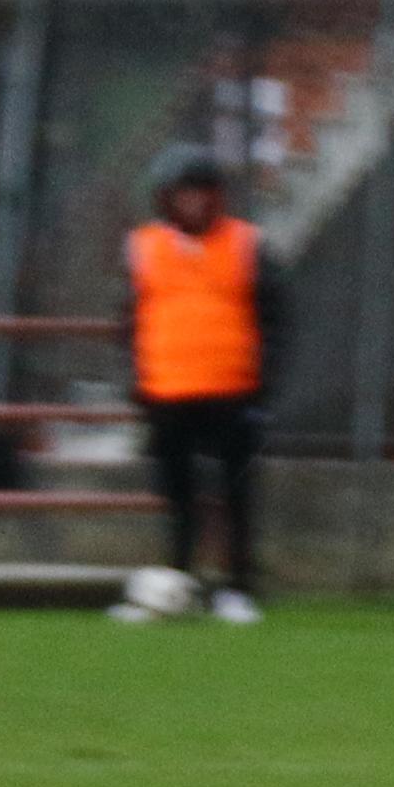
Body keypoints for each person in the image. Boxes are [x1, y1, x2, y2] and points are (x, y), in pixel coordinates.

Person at [114, 154, 281, 626]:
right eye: (183, 192)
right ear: (166, 198)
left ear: (217, 197)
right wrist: (137, 381)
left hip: (233, 391)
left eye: (201, 192)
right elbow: (129, 319)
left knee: (236, 495)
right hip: (167, 391)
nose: (193, 202)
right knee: (178, 499)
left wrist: (266, 385)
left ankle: (237, 588)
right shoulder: (144, 246)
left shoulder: (246, 244)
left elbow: (276, 319)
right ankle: (178, 586)